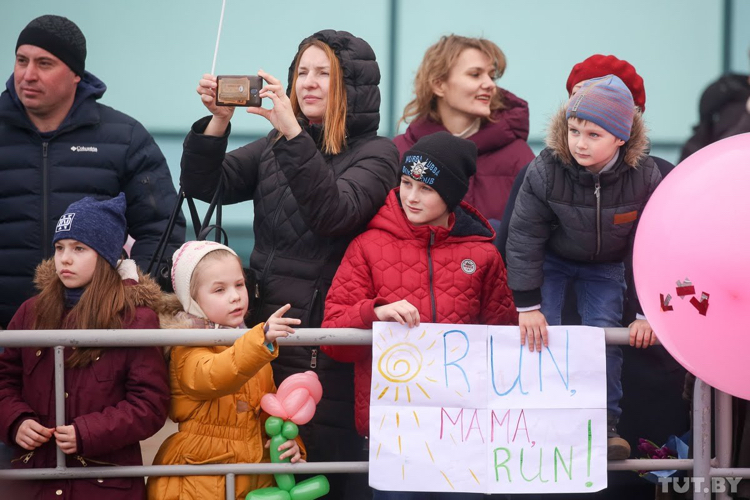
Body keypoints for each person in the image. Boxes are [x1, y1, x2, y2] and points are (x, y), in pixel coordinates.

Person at [180, 29, 399, 498]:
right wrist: (217, 123)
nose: (309, 83)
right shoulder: (277, 144)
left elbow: (333, 214)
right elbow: (206, 185)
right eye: (302, 72)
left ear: (352, 87)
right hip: (264, 335)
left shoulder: (378, 153)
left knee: (321, 476)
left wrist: (293, 133)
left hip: (327, 347)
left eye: (324, 74)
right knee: (268, 477)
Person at [322, 132, 517, 499]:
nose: (411, 196)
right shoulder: (367, 246)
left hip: (464, 432)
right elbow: (334, 336)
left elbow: (503, 345)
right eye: (406, 183)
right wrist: (374, 312)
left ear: (452, 195)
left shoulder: (485, 256)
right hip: (394, 433)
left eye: (425, 189)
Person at [505, 75, 662, 460]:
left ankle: (604, 423)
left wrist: (646, 313)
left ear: (620, 138)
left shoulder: (645, 176)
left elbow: (654, 245)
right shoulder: (546, 169)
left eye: (593, 134)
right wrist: (527, 306)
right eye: (574, 130)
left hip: (607, 265)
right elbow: (524, 236)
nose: (579, 142)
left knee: (603, 338)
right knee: (544, 335)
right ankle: (545, 416)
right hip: (555, 260)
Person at [0, 14, 185, 329]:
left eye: (44, 63)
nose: (28, 74)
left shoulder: (125, 138)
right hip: (6, 332)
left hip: (95, 334)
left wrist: (126, 297)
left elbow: (161, 228)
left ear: (75, 75)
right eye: (21, 60)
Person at [0, 193, 170, 499]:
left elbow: (150, 405)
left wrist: (88, 432)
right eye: (59, 247)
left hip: (104, 484)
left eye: (79, 248)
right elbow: (4, 380)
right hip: (34, 479)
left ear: (106, 256)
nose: (65, 258)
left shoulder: (135, 319)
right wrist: (15, 420)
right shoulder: (31, 311)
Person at [147, 240, 302, 500]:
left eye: (239, 284)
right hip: (201, 477)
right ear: (192, 299)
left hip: (253, 474)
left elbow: (268, 410)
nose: (234, 296)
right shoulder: (188, 343)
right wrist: (258, 340)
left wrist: (289, 444)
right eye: (219, 290)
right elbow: (213, 376)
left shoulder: (248, 343)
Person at [393, 34, 534, 227]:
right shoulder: (400, 150)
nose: (490, 85)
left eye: (491, 76)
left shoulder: (518, 156)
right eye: (475, 74)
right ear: (439, 85)